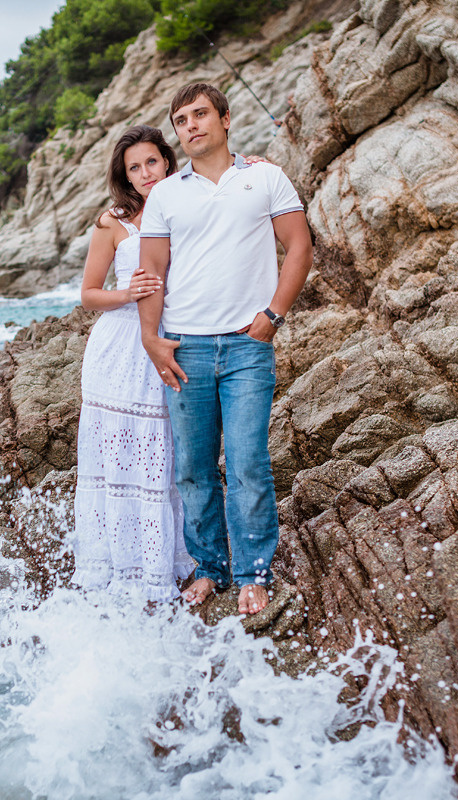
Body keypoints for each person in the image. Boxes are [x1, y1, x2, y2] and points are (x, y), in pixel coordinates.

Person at [138, 83, 313, 616]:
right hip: (185, 347)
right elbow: (152, 274)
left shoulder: (264, 176)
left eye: (200, 114)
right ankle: (210, 568)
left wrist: (272, 317)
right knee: (192, 467)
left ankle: (253, 572)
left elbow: (300, 246)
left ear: (226, 119)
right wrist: (152, 340)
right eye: (181, 120)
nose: (191, 125)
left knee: (248, 463)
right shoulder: (166, 194)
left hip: (246, 347)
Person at [71, 124, 195, 602]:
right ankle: (121, 566)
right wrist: (127, 294)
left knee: (166, 454)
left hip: (172, 338)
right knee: (122, 457)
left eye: (151, 162)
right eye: (134, 167)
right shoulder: (113, 222)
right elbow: (88, 293)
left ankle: (173, 561)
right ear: (125, 176)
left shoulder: (185, 203)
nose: (145, 173)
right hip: (118, 350)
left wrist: (253, 163)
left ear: (167, 161)